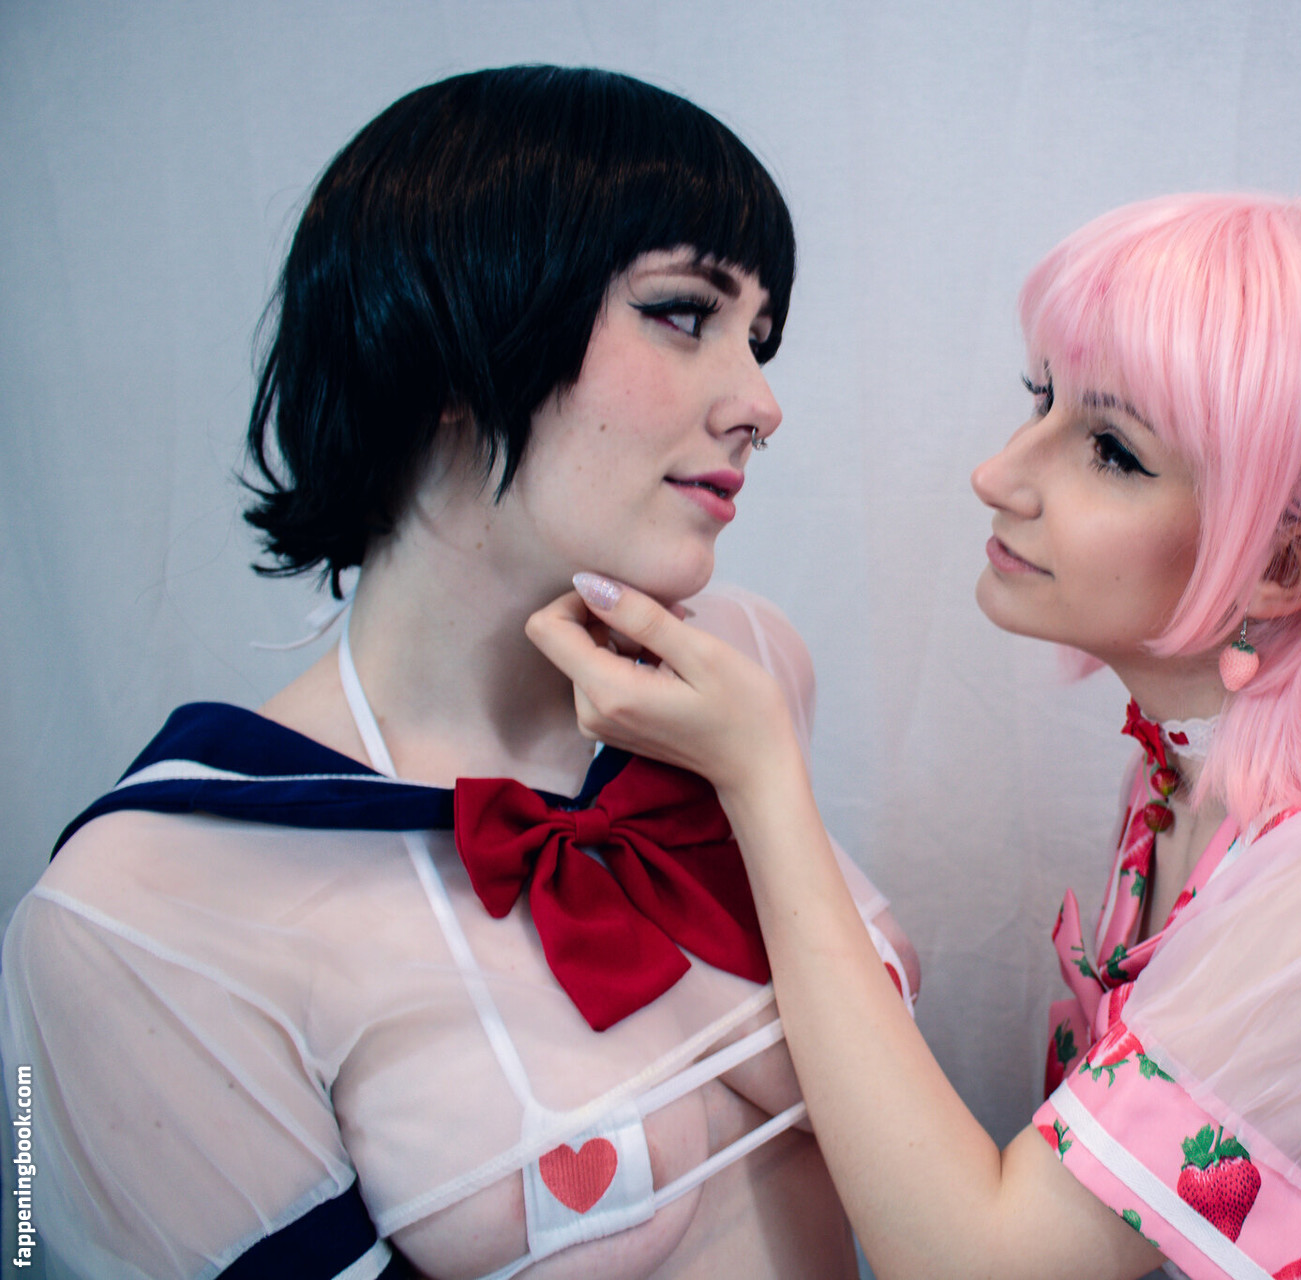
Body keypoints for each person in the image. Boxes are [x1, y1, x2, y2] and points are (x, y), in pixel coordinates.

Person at [527, 194, 1301, 1280]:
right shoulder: (1194, 767)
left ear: (1286, 566)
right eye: (1041, 400)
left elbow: (984, 1262)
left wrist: (761, 776)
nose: (998, 474)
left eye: (1112, 451)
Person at [0, 66, 914, 1280]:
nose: (761, 402)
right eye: (683, 312)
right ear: (444, 339)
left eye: (759, 337)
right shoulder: (146, 910)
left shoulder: (743, 667)